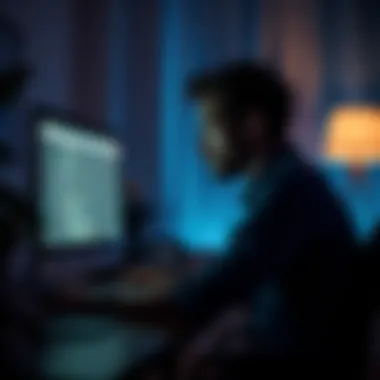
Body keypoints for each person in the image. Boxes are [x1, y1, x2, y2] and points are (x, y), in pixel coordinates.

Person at [64, 61, 358, 379]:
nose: (202, 145)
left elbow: (201, 297)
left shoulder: (288, 192)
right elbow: (243, 280)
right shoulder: (290, 182)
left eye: (210, 127)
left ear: (253, 125)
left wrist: (86, 300)